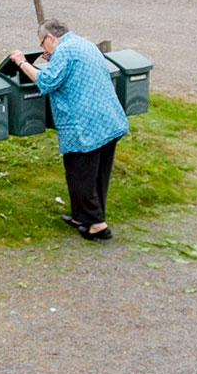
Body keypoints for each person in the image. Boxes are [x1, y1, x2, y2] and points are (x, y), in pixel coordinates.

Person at [8, 18, 130, 241]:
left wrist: (21, 62)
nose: (42, 48)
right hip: (109, 118)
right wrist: (52, 58)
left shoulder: (64, 52)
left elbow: (45, 81)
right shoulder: (84, 45)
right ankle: (82, 217)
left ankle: (98, 226)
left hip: (85, 125)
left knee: (80, 173)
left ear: (50, 38)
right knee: (98, 174)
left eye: (42, 43)